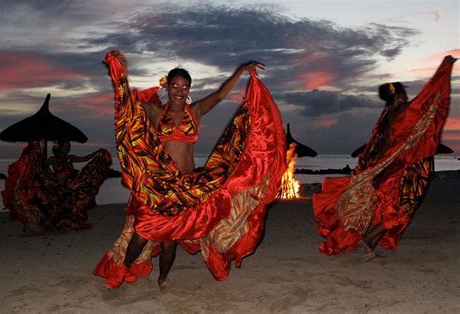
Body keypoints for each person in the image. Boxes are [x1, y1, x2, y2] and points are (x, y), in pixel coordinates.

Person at [94, 50, 287, 288]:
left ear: (189, 90)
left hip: (188, 187)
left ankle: (163, 280)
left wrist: (241, 70)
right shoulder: (156, 112)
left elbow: (219, 95)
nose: (179, 91)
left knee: (169, 242)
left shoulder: (194, 112)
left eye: (184, 87)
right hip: (160, 187)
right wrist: (121, 75)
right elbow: (127, 107)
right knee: (142, 232)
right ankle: (121, 270)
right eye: (174, 86)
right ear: (167, 88)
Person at [313, 55, 457, 258]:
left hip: (393, 166)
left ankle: (370, 242)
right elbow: (429, 99)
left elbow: (384, 146)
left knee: (391, 206)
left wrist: (375, 167)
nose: (406, 95)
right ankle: (369, 239)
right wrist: (444, 69)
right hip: (407, 167)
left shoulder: (387, 116)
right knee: (401, 208)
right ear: (397, 94)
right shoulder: (404, 111)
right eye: (403, 91)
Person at [47, 140, 112, 229]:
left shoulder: (70, 158)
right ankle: (58, 223)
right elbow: (42, 167)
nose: (67, 148)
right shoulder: (53, 159)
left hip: (70, 186)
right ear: (60, 147)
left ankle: (70, 223)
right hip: (58, 187)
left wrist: (97, 152)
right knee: (58, 206)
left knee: (74, 204)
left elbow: (85, 158)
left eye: (68, 146)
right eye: (65, 146)